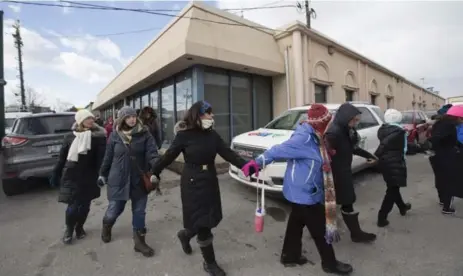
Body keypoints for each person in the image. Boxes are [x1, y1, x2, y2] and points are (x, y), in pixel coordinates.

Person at [241, 104, 353, 275]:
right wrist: (254, 164)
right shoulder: (303, 139)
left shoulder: (317, 136)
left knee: (296, 223)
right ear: (320, 123)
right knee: (319, 230)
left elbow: (314, 154)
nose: (330, 124)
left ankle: (290, 256)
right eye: (328, 121)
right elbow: (276, 151)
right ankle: (330, 264)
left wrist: (327, 153)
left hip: (301, 190)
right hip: (305, 192)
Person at [151, 101, 248, 276]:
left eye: (211, 113)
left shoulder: (212, 136)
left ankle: (186, 235)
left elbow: (228, 153)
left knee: (207, 218)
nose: (212, 116)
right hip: (192, 182)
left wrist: (248, 167)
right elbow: (169, 156)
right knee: (203, 224)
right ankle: (210, 263)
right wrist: (155, 172)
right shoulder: (184, 136)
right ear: (198, 115)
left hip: (210, 180)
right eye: (208, 113)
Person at [98, 106, 160, 257]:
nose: (132, 119)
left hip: (139, 179)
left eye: (133, 116)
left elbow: (152, 154)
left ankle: (139, 242)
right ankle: (107, 225)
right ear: (122, 119)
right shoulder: (114, 135)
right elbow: (108, 156)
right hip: (118, 179)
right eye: (128, 117)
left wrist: (156, 169)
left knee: (139, 211)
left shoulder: (145, 133)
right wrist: (102, 174)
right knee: (115, 209)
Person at [51, 109, 107, 244]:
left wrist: (102, 174)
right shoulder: (70, 137)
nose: (91, 121)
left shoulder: (98, 137)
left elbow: (101, 159)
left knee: (85, 206)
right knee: (72, 206)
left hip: (89, 176)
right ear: (80, 120)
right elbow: (62, 158)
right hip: (71, 175)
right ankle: (69, 229)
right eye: (88, 119)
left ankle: (80, 227)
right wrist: (55, 173)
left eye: (92, 119)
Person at [324, 102, 378, 243]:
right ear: (344, 118)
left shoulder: (345, 130)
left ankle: (354, 233)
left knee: (346, 202)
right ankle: (353, 233)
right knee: (344, 202)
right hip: (335, 175)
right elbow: (324, 156)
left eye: (357, 120)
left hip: (344, 172)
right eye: (353, 120)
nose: (355, 123)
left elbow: (353, 148)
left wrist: (369, 155)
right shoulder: (333, 133)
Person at [374, 109, 412, 227]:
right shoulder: (400, 132)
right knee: (392, 190)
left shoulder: (382, 129)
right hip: (395, 162)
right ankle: (382, 217)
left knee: (393, 186)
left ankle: (402, 207)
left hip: (385, 162)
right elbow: (404, 148)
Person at [429, 105, 463, 214]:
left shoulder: (439, 123)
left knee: (441, 179)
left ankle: (443, 201)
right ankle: (447, 207)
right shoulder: (449, 126)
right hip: (446, 157)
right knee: (450, 181)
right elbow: (439, 139)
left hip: (436, 156)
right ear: (457, 117)